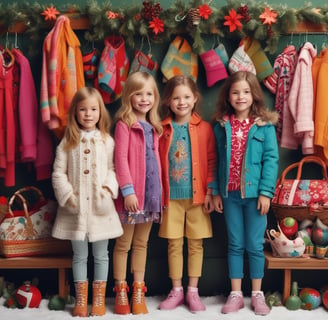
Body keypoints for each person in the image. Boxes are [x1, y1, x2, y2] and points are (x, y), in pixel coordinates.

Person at [211, 71, 279, 316]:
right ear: (228, 96)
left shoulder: (264, 126)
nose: (241, 96)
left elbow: (271, 160)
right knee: (235, 244)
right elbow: (215, 160)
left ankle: (257, 294)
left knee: (254, 245)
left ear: (254, 96)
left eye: (246, 92)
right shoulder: (222, 126)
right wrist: (215, 192)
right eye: (236, 92)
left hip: (255, 197)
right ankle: (236, 294)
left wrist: (265, 193)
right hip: (229, 195)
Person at [51, 87, 123, 317]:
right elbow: (58, 173)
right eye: (83, 109)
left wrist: (107, 190)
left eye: (93, 109)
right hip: (75, 210)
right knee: (80, 255)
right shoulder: (67, 141)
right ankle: (81, 299)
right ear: (75, 112)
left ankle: (99, 299)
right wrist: (68, 196)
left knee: (102, 255)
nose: (88, 114)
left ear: (100, 112)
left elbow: (113, 170)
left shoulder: (107, 141)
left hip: (101, 209)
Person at [158, 75, 217, 313]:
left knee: (196, 244)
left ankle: (193, 291)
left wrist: (211, 192)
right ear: (168, 101)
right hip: (170, 198)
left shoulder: (204, 129)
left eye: (186, 97)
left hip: (198, 197)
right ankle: (177, 290)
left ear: (195, 99)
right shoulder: (162, 128)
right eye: (176, 98)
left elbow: (212, 161)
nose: (181, 102)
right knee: (174, 244)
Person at [112, 71, 163, 315]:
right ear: (129, 96)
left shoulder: (154, 127)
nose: (144, 98)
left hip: (151, 195)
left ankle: (138, 290)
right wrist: (128, 191)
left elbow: (156, 163)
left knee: (142, 244)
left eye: (149, 93)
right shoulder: (124, 125)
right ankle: (120, 288)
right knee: (123, 244)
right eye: (138, 93)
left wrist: (161, 194)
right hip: (132, 197)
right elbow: (120, 159)